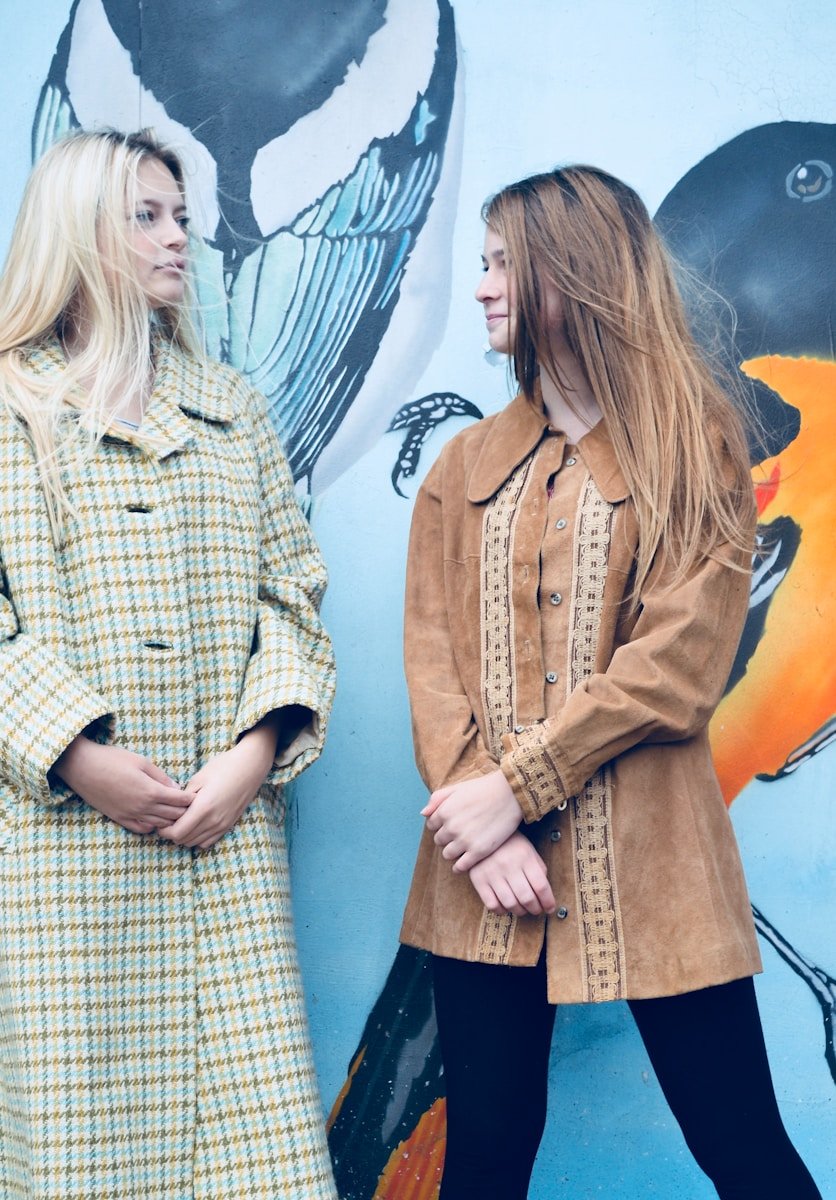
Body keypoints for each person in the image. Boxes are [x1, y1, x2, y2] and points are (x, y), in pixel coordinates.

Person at [399, 166, 822, 1199]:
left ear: (571, 274)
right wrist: (481, 821)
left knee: (747, 1156)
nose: (483, 287)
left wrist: (516, 786)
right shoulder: (460, 469)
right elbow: (431, 654)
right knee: (483, 1167)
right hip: (479, 879)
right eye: (483, 263)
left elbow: (675, 672)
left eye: (502, 263)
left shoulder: (699, 451)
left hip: (657, 868)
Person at [0, 129, 337, 1199]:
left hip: (221, 849)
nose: (179, 236)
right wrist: (75, 753)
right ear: (82, 230)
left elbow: (294, 594)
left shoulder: (231, 408)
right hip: (60, 858)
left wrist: (252, 754)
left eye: (181, 215)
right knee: (84, 1154)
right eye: (147, 214)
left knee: (250, 1157)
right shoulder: (10, 407)